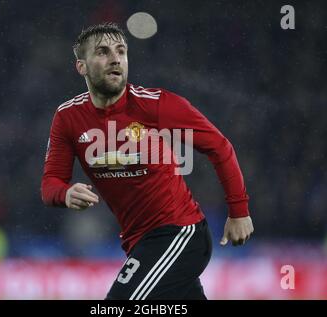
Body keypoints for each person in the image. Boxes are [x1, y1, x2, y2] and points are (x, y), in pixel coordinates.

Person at [41, 22, 254, 300]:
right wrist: (65, 192)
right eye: (103, 52)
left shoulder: (157, 104)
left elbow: (220, 147)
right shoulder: (68, 118)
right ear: (81, 67)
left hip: (180, 234)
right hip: (138, 242)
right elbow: (50, 183)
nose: (115, 58)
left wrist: (239, 212)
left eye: (121, 51)